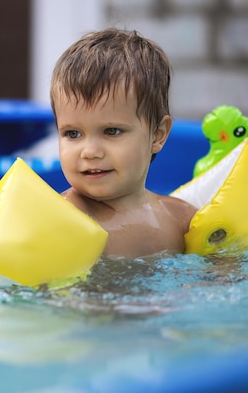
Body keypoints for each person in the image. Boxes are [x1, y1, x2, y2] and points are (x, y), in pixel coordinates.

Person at [50, 27, 197, 259]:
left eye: (111, 131)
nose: (90, 152)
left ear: (158, 135)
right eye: (73, 134)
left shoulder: (181, 220)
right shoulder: (62, 217)